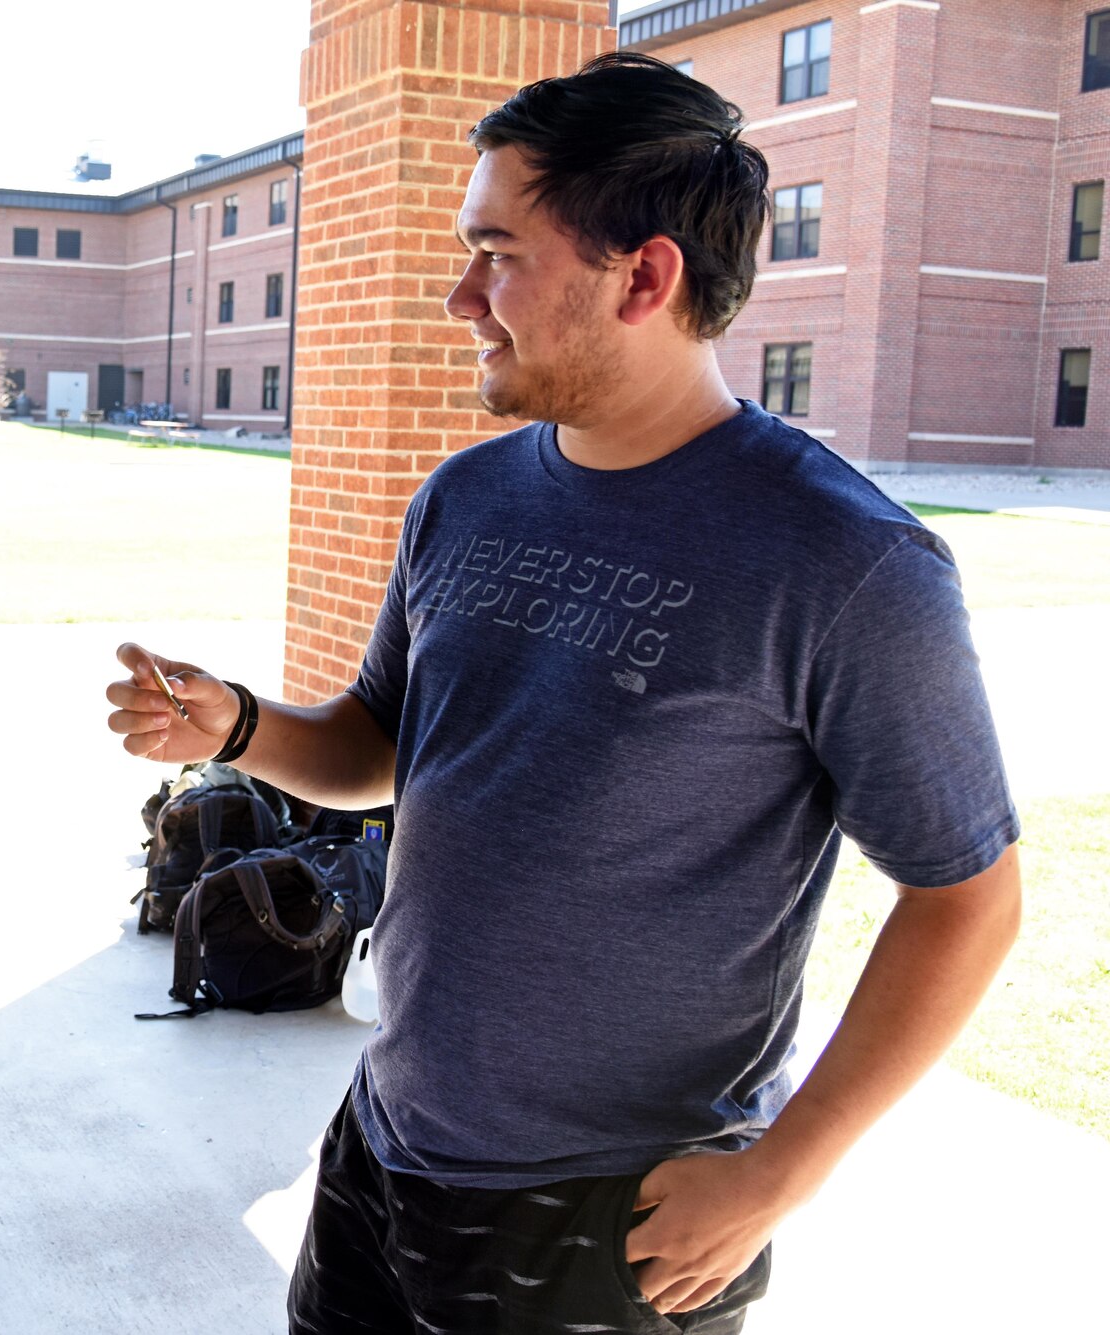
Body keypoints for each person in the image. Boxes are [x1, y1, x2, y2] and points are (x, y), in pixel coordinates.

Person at [105, 54, 1020, 1334]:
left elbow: (965, 899)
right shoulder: (465, 498)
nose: (458, 295)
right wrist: (245, 728)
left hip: (610, 1217)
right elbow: (381, 749)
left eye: (499, 253)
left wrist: (775, 1176)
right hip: (386, 1144)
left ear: (643, 276)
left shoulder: (845, 565)